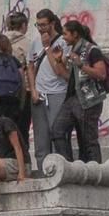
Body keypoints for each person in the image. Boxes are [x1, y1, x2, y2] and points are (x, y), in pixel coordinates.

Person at [49, 20, 109, 163]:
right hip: (73, 99)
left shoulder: (92, 50)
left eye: (65, 34)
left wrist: (81, 65)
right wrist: (58, 61)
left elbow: (101, 74)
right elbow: (67, 77)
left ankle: (96, 172)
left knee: (89, 139)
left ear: (75, 34)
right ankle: (68, 165)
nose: (63, 37)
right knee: (57, 130)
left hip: (89, 100)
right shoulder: (73, 51)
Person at [28, 9, 68, 170]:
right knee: (41, 137)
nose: (40, 28)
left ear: (52, 23)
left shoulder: (63, 42)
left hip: (58, 92)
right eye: (38, 25)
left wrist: (47, 47)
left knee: (57, 133)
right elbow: (30, 66)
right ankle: (44, 170)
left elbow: (59, 71)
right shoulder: (34, 42)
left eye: (44, 25)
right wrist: (33, 89)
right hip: (40, 93)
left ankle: (63, 169)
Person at [3, 11, 33, 167]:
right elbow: (31, 68)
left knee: (6, 128)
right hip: (23, 91)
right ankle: (23, 162)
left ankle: (7, 161)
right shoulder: (26, 43)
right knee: (22, 128)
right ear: (23, 25)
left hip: (2, 94)